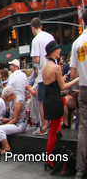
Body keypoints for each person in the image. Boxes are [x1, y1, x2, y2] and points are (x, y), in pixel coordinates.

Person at [43, 40, 79, 169]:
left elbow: (52, 83)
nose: (60, 51)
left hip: (48, 100)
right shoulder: (56, 67)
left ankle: (59, 130)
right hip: (55, 100)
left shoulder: (45, 67)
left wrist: (60, 79)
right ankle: (49, 160)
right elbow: (62, 87)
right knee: (52, 133)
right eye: (58, 49)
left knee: (53, 128)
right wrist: (76, 79)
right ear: (53, 51)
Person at [30, 17, 55, 135]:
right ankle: (53, 125)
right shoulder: (50, 37)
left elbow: (36, 59)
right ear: (41, 26)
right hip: (53, 73)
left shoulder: (36, 40)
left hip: (42, 76)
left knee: (42, 102)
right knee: (52, 100)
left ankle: (43, 126)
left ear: (33, 28)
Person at [71, 12, 87, 177]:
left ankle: (80, 170)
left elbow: (73, 72)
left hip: (83, 89)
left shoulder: (76, 43)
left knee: (83, 129)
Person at [0, 85, 27, 154]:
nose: (5, 99)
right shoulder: (12, 101)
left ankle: (7, 148)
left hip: (19, 125)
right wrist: (7, 120)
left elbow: (15, 119)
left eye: (6, 97)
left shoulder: (18, 102)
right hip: (16, 123)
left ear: (11, 95)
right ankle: (4, 146)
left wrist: (5, 125)